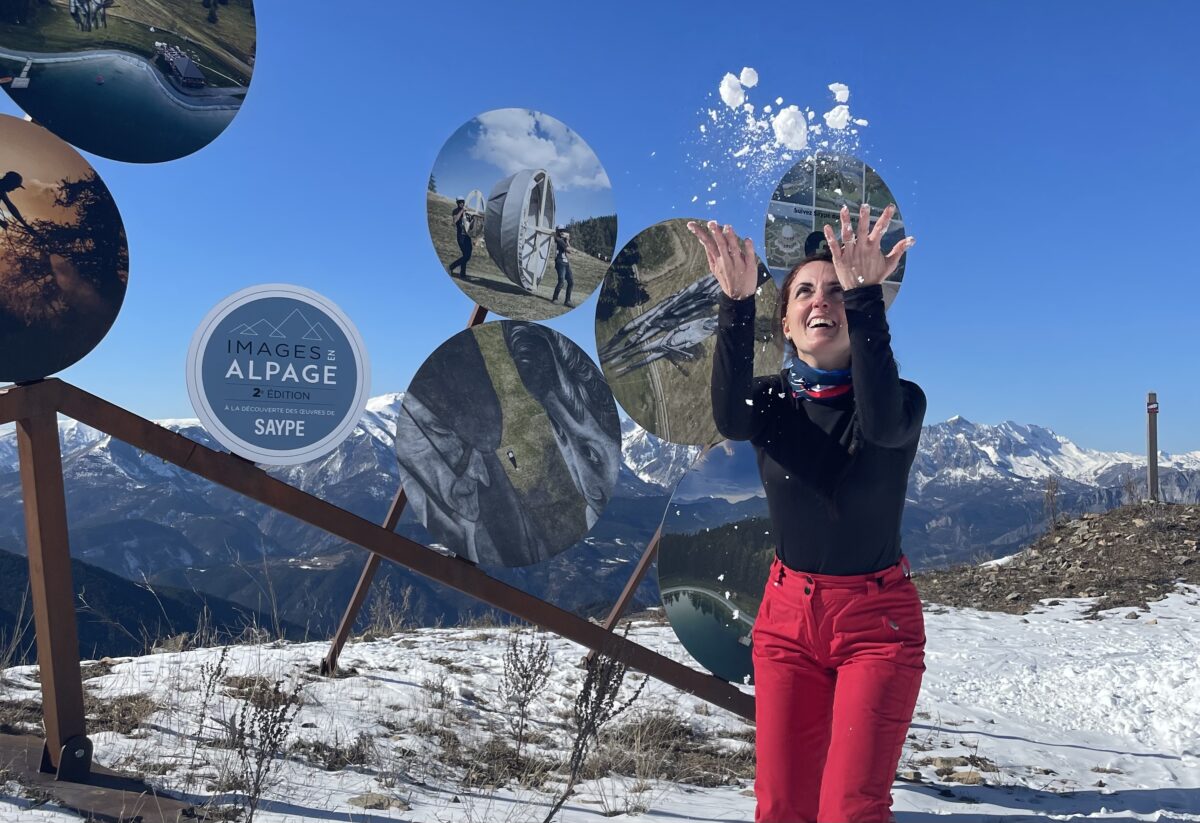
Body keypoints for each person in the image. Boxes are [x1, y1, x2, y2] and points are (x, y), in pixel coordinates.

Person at [688, 206, 921, 823]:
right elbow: (729, 418)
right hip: (787, 619)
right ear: (786, 324)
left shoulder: (902, 403)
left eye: (838, 291)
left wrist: (867, 293)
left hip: (877, 628)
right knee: (783, 806)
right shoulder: (768, 405)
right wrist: (737, 305)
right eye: (805, 292)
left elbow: (880, 423)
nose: (824, 301)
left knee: (850, 808)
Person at [448, 197, 472, 278]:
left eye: (463, 202)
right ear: (457, 203)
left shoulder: (467, 212)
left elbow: (470, 224)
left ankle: (462, 274)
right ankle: (451, 267)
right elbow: (455, 221)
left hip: (467, 236)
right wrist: (462, 211)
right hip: (461, 236)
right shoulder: (456, 211)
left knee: (467, 255)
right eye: (460, 202)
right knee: (466, 255)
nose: (461, 203)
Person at [551, 226, 575, 307]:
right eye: (562, 231)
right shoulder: (559, 240)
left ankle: (567, 301)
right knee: (561, 282)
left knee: (571, 282)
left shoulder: (562, 240)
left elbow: (569, 251)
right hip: (560, 262)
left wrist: (567, 241)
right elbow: (569, 250)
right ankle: (555, 298)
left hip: (565, 263)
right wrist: (567, 241)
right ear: (559, 232)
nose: (564, 232)